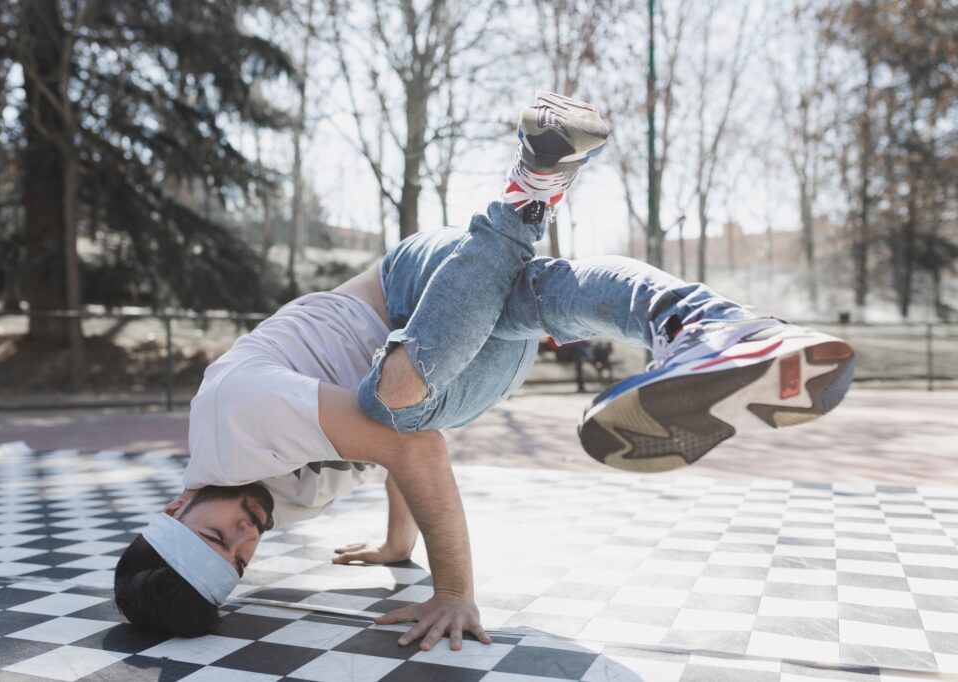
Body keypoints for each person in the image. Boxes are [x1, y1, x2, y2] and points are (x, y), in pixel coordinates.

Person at [114, 92, 854, 650]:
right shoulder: (270, 503)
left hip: (411, 287)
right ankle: (712, 323)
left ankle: (525, 199)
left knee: (398, 407)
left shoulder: (233, 419)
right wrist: (397, 545)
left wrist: (453, 591)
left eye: (217, 538)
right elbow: (384, 456)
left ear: (176, 509)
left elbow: (411, 448)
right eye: (242, 561)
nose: (246, 538)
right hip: (447, 368)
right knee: (532, 300)